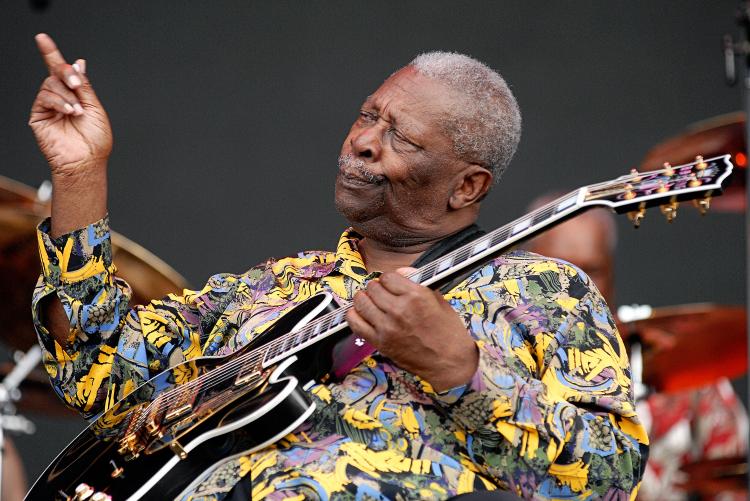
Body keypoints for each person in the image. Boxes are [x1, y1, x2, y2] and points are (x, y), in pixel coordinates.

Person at [28, 33, 648, 499]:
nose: (363, 140)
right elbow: (97, 369)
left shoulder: (541, 291)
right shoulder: (276, 287)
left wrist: (463, 372)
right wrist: (80, 177)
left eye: (401, 137)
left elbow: (609, 480)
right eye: (368, 115)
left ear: (467, 187)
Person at [525, 200, 748, 500]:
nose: (578, 291)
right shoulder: (497, 372)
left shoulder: (674, 364)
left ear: (612, 274)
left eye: (592, 272)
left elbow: (732, 482)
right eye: (559, 273)